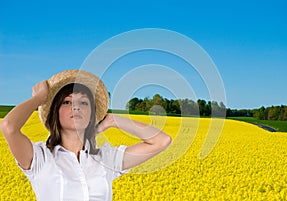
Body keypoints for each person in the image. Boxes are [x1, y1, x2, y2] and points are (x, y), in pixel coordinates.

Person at [0, 70, 172, 201]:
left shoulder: (106, 159)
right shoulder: (40, 158)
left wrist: (112, 120)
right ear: (55, 112)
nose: (76, 107)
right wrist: (40, 98)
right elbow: (9, 127)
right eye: (67, 102)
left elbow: (161, 141)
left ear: (91, 114)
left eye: (83, 102)